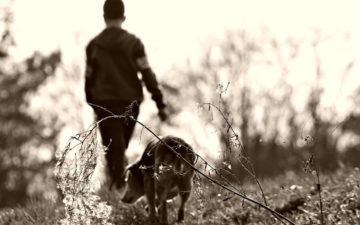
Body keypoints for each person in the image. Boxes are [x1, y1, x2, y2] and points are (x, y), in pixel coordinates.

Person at [84, 0, 167, 189]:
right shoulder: (134, 44)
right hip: (130, 102)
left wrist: (91, 101)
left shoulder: (93, 46)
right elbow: (146, 73)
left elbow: (88, 78)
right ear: (124, 17)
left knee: (115, 148)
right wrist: (159, 102)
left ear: (104, 17)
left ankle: (118, 187)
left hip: (103, 103)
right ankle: (119, 188)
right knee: (118, 146)